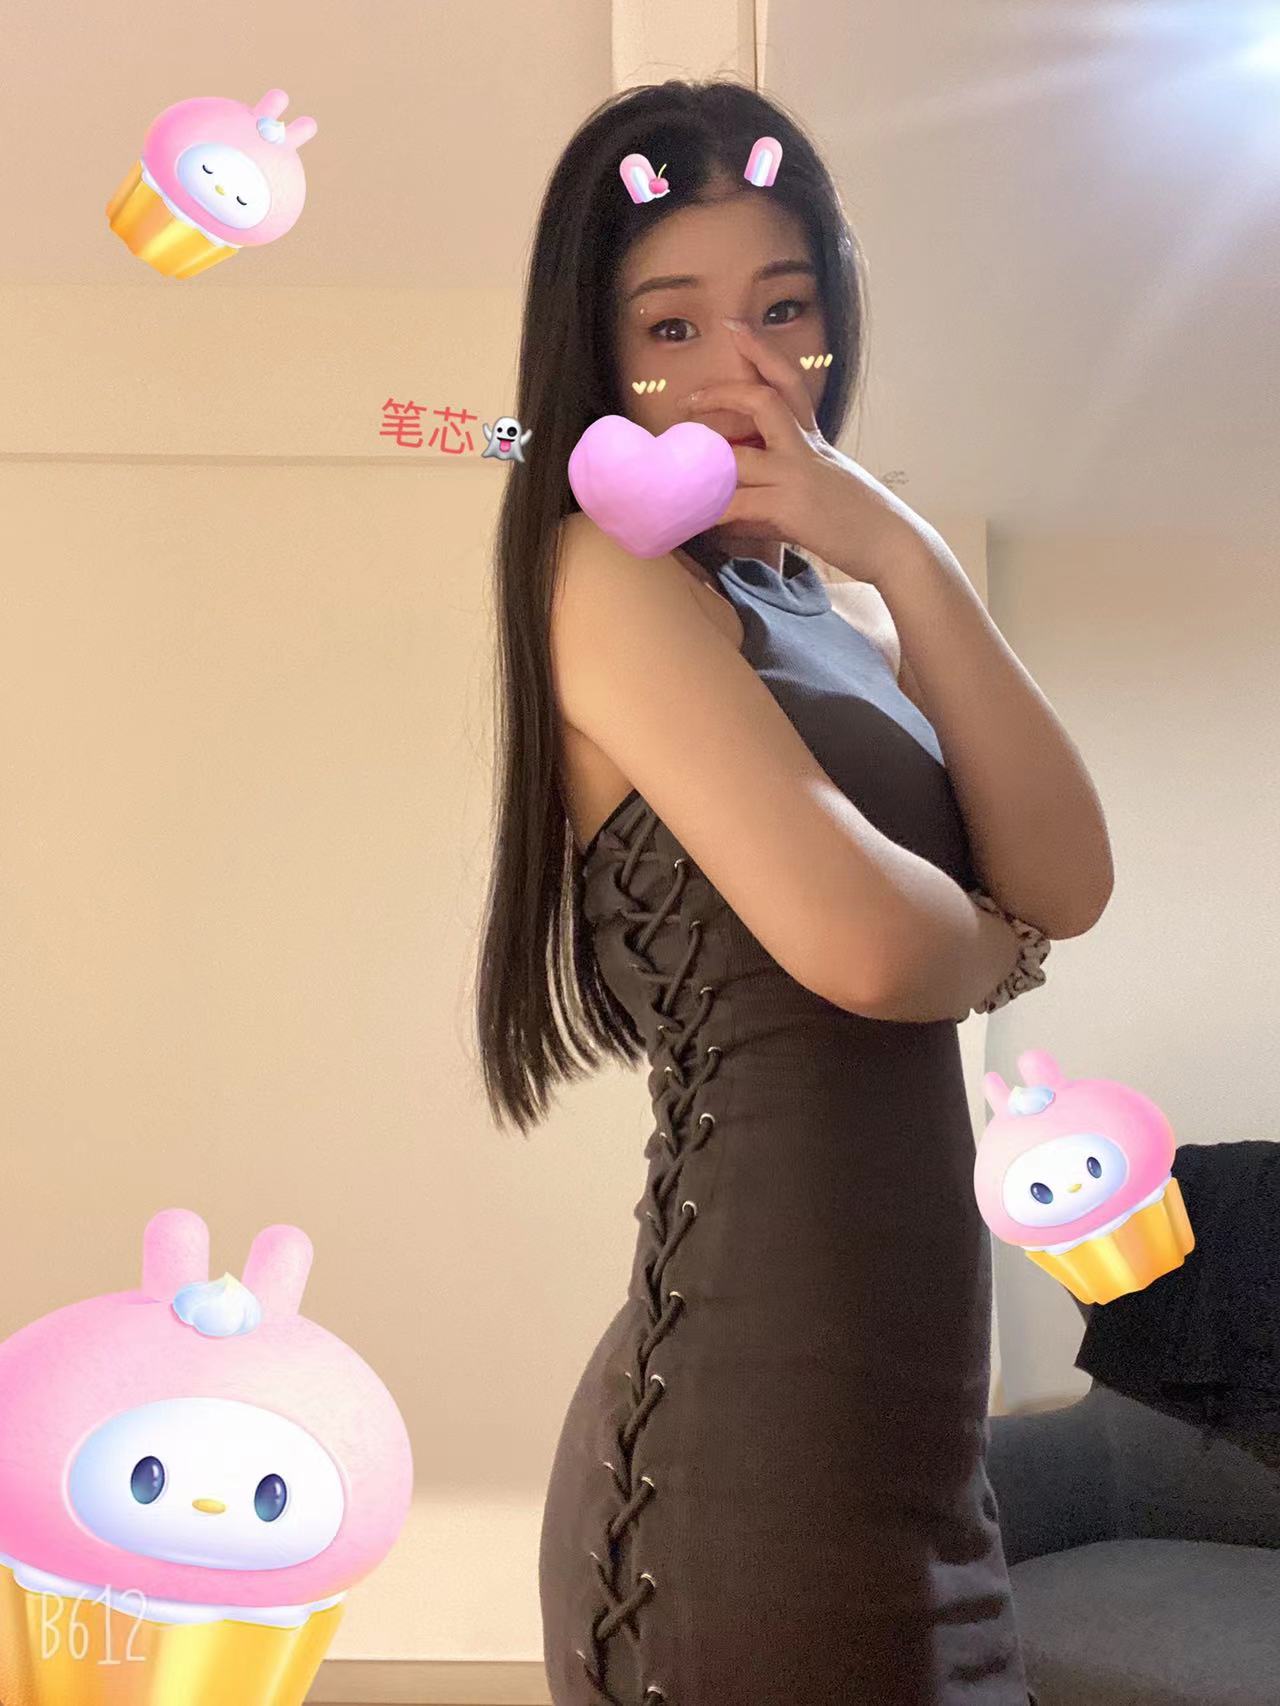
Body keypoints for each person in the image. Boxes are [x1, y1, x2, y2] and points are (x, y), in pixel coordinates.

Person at [473, 76, 1104, 1705]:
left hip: (910, 1421)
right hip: (751, 1435)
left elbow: (1069, 871)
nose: (738, 366)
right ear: (596, 353)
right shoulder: (605, 572)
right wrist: (997, 942)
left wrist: (906, 552)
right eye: (670, 325)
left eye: (783, 307)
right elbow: (869, 941)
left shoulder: (844, 604)